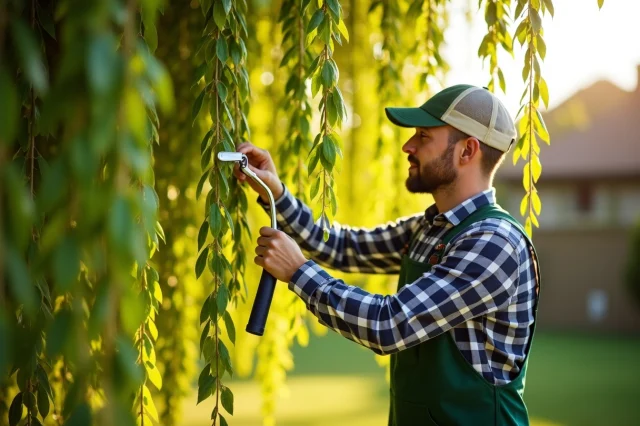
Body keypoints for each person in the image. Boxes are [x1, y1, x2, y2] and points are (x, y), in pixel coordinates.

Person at [233, 84, 541, 426]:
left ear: (467, 151)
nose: (407, 146)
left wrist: (298, 272)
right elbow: (342, 247)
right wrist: (276, 193)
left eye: (423, 136)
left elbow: (390, 324)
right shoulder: (428, 228)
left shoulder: (494, 243)